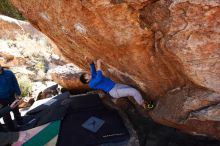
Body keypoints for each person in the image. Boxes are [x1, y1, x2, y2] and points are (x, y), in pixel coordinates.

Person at [80, 57, 154, 109]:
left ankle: (144, 102)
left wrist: (88, 60)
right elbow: (99, 77)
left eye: (86, 74)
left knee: (131, 88)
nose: (88, 74)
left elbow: (92, 65)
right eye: (86, 76)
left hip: (116, 85)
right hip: (114, 91)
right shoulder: (91, 84)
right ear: (87, 81)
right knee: (133, 91)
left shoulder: (93, 75)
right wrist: (99, 65)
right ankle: (145, 106)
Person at [0, 64, 23, 131]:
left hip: (12, 96)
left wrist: (18, 93)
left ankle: (20, 123)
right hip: (1, 100)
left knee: (16, 111)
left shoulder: (9, 73)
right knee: (6, 115)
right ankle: (12, 130)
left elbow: (15, 83)